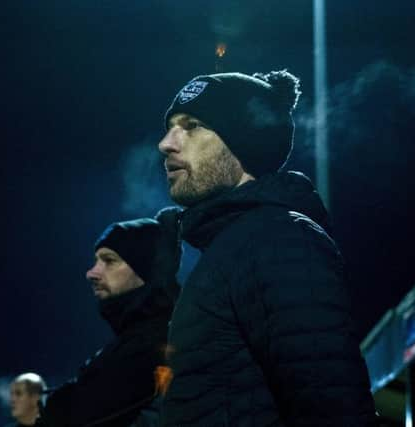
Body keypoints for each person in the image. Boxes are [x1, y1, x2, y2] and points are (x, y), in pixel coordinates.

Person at [157, 70, 378, 426]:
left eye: (193, 124)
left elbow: (332, 407)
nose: (166, 142)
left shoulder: (278, 239)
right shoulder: (234, 247)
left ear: (244, 142)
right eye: (170, 126)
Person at [42, 207, 182, 427]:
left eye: (109, 260)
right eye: (96, 260)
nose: (92, 273)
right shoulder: (133, 338)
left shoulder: (155, 342)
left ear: (146, 272)